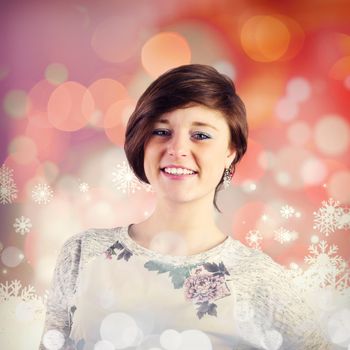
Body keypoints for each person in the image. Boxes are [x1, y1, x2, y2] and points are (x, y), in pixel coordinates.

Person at [39, 64, 330, 350]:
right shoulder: (83, 254)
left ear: (231, 152)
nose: (177, 149)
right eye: (162, 131)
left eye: (200, 135)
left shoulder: (259, 279)